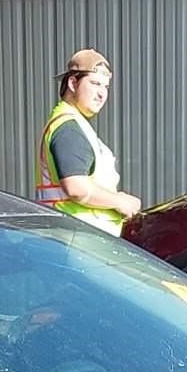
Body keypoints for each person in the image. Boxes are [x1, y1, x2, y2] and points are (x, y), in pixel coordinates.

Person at [33, 48, 141, 234]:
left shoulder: (75, 123)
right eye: (95, 83)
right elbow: (76, 187)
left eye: (105, 87)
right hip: (76, 240)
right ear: (73, 83)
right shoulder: (68, 128)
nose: (102, 94)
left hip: (77, 238)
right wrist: (119, 201)